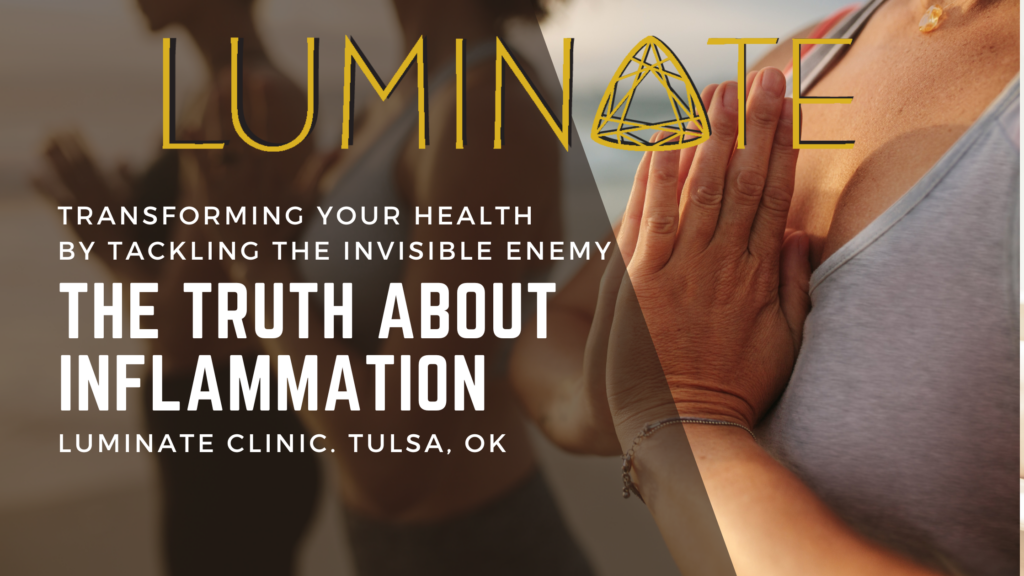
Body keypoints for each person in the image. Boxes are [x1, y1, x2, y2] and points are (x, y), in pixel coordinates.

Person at [511, 0, 1019, 574]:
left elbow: (655, 399)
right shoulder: (812, 53)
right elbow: (556, 327)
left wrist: (679, 420)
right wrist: (600, 401)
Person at [187, 0, 594, 574]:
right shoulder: (407, 94)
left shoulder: (486, 109)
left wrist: (256, 263)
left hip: (478, 547)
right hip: (389, 546)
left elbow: (394, 467)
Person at [34, 1, 321, 574]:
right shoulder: (220, 92)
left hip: (233, 447)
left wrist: (113, 247)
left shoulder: (245, 100)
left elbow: (190, 322)